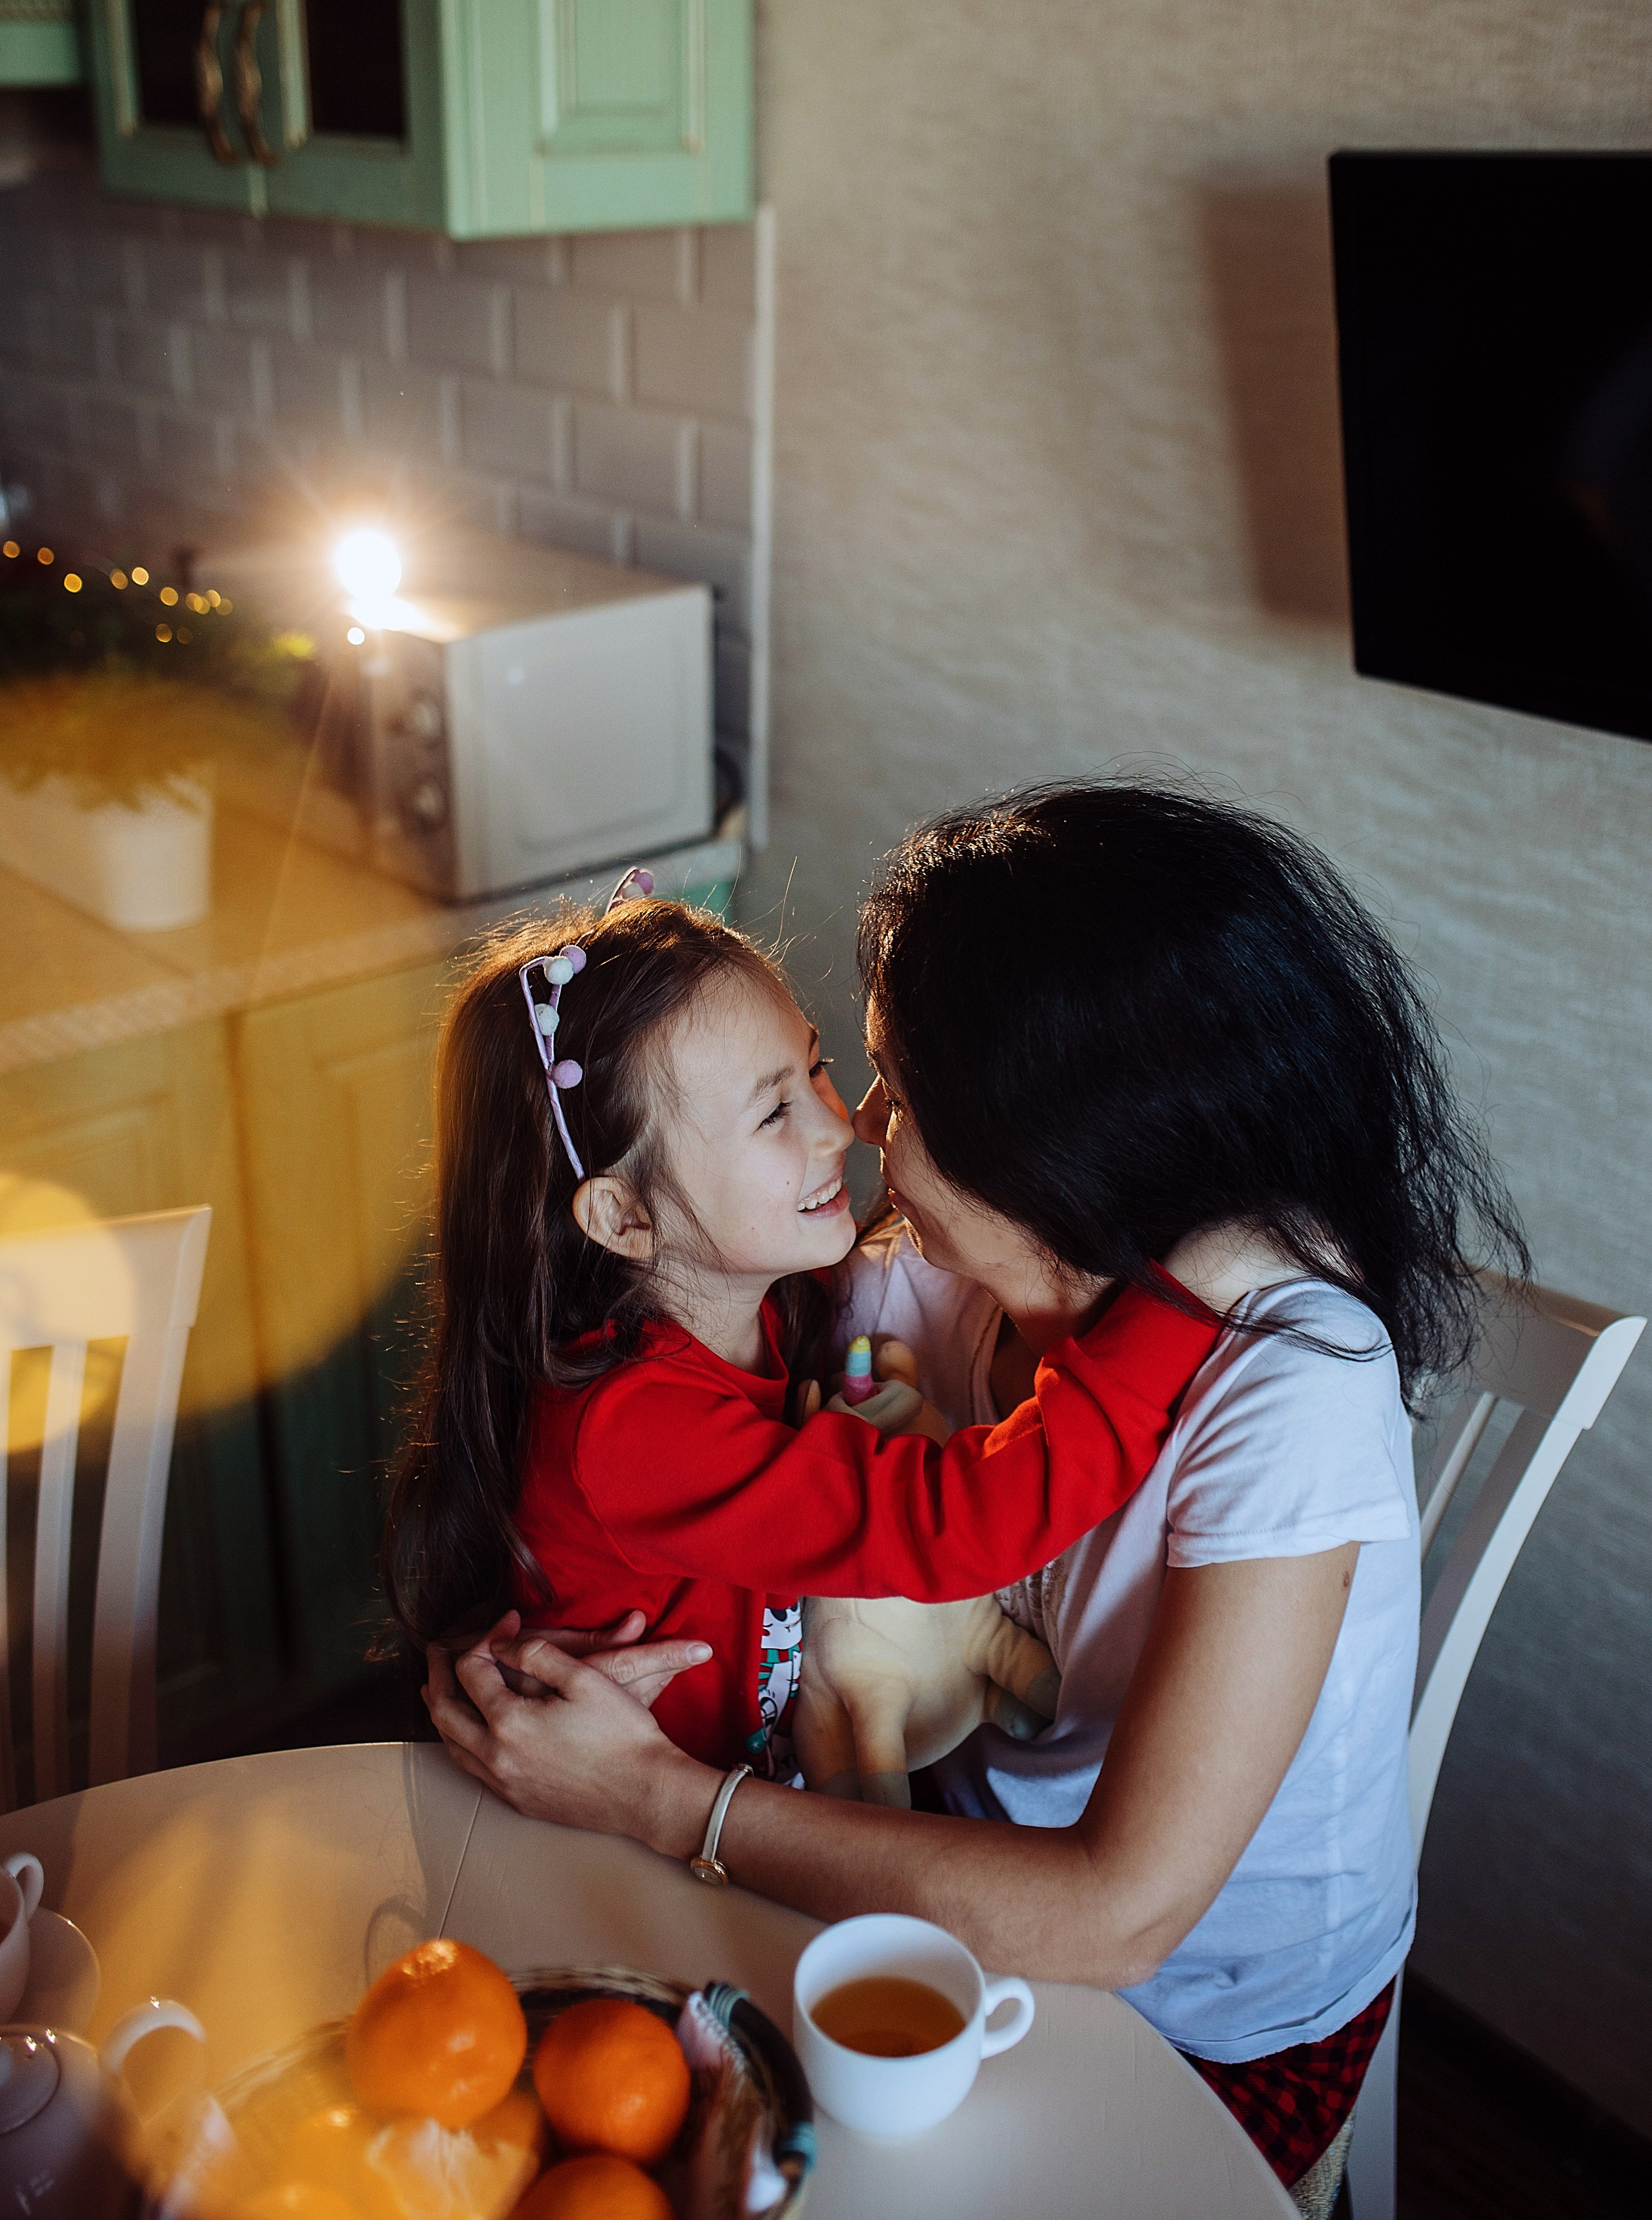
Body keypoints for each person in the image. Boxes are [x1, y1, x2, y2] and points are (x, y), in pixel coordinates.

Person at [422, 787, 1527, 2220]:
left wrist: (656, 1798)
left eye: (889, 1081)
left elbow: (1119, 1915)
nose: (861, 1129)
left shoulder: (1291, 1384)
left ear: (1055, 1134)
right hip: (925, 1865)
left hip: (1184, 2017)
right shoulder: (900, 1283)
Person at [383, 866, 1254, 1786]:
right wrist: (1179, 1297)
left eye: (815, 1068)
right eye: (773, 1113)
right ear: (625, 1219)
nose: (841, 1129)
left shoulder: (765, 1304)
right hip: (619, 1841)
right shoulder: (630, 1431)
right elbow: (957, 1524)